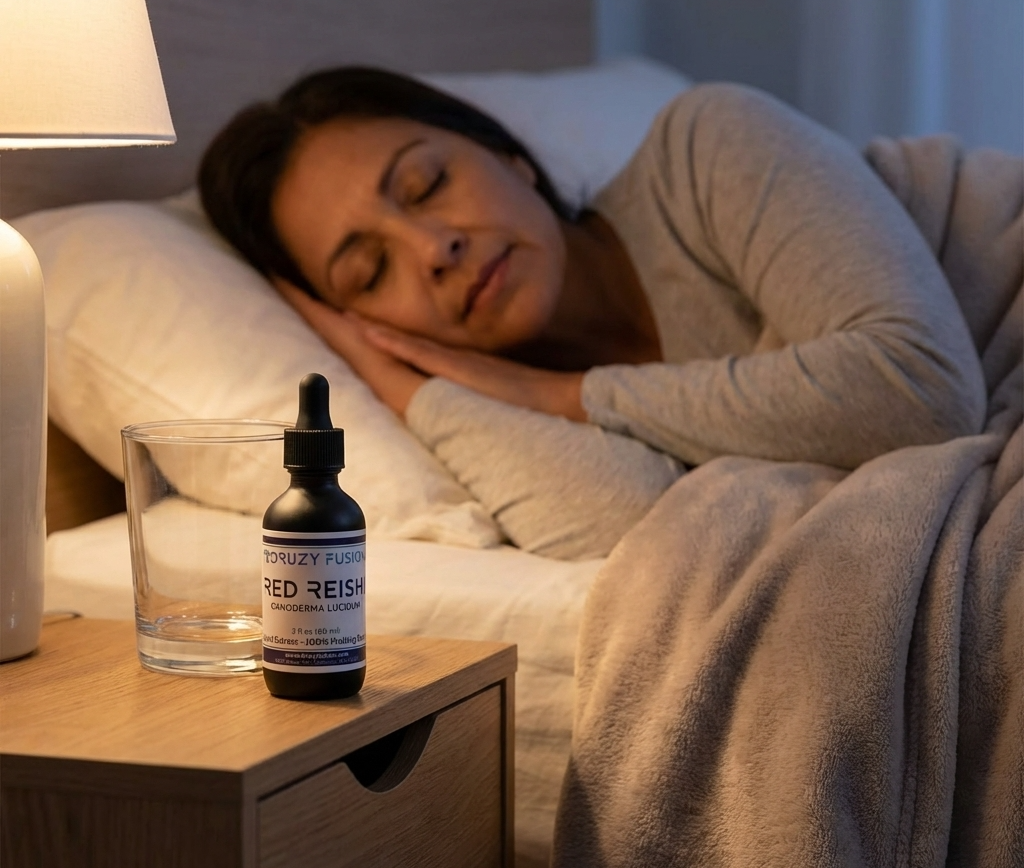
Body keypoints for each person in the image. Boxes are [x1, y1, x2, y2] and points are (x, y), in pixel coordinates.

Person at [199, 67, 985, 554]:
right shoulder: (510, 418)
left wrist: (565, 396)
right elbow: (637, 531)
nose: (434, 247)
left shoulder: (708, 147)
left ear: (509, 156)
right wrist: (398, 381)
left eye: (427, 185)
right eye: (370, 273)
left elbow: (921, 390)